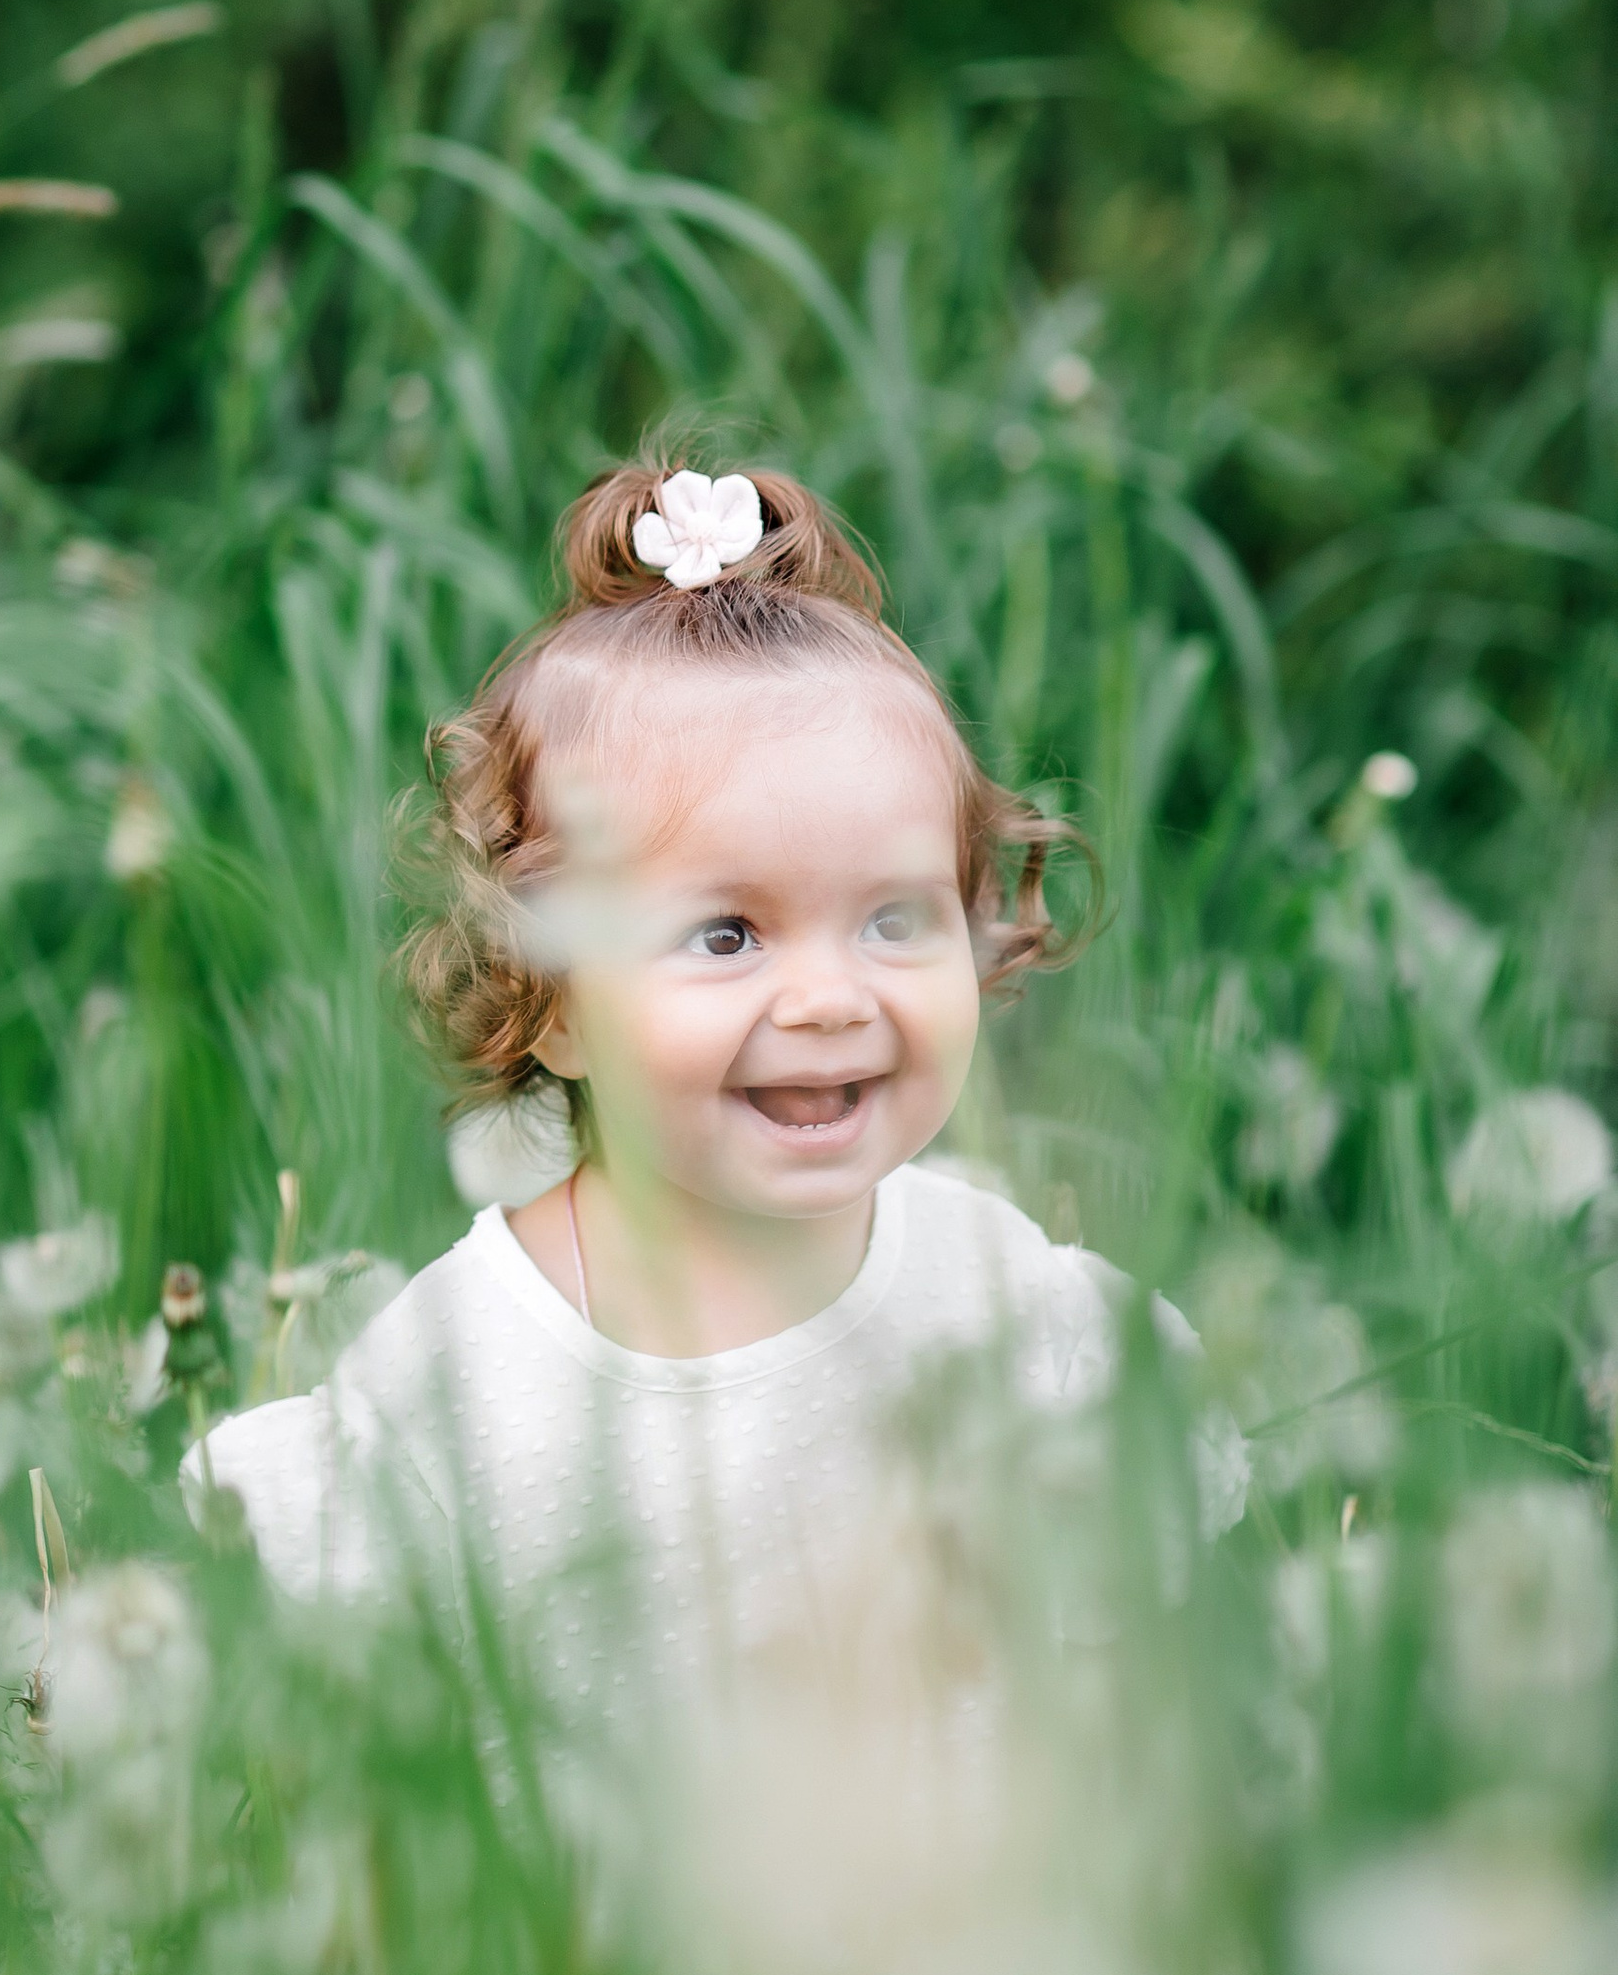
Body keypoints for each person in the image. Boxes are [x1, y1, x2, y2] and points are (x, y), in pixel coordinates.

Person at [185, 455, 1241, 1730]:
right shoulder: (460, 1383)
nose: (828, 1000)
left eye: (893, 918)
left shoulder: (1003, 1304)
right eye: (729, 935)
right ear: (554, 997)